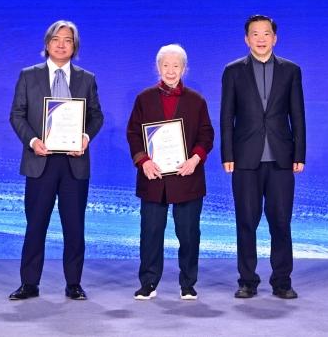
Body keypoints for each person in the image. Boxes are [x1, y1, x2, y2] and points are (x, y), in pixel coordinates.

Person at [8, 20, 104, 301]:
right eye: (56, 39)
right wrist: (32, 141)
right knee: (36, 225)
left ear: (75, 47)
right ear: (47, 44)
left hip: (74, 163)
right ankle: (29, 283)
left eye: (68, 40)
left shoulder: (87, 78)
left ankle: (73, 283)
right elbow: (17, 114)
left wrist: (85, 136)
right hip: (40, 161)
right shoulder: (29, 76)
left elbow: (97, 116)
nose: (62, 45)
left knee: (74, 227)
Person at [220, 15, 306, 299]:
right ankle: (247, 280)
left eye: (266, 33)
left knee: (281, 222)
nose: (261, 38)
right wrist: (227, 153)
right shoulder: (233, 71)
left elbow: (298, 115)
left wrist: (299, 153)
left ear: (274, 38)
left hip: (282, 158)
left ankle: (282, 281)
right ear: (247, 39)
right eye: (255, 34)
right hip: (245, 158)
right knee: (246, 221)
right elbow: (226, 116)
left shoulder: (291, 70)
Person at [126, 44, 214, 301]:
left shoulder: (196, 100)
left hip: (187, 176)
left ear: (184, 69)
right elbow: (133, 133)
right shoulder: (144, 98)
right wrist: (143, 161)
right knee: (150, 233)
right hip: (153, 177)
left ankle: (188, 283)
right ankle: (148, 283)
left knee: (189, 234)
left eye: (176, 65)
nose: (171, 70)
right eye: (166, 65)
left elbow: (206, 135)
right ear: (158, 67)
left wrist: (195, 159)